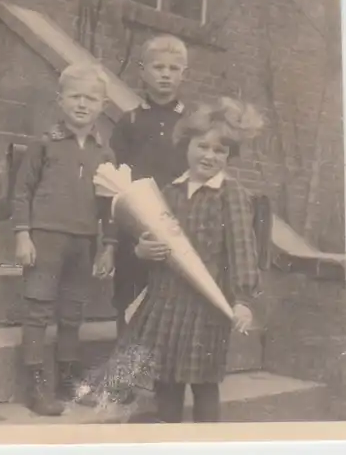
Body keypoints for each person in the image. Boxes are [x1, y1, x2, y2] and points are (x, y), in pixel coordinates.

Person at [102, 97, 264, 423]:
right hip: (165, 303)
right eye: (202, 146)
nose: (209, 155)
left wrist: (244, 299)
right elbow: (152, 240)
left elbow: (244, 249)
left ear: (229, 156)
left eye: (220, 151)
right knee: (166, 380)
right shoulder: (169, 193)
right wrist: (141, 252)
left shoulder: (231, 195)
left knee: (203, 384)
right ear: (186, 145)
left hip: (205, 308)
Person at [12, 63, 116, 416]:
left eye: (91, 98)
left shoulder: (104, 153)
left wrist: (109, 247)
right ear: (60, 100)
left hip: (83, 243)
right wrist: (23, 235)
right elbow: (21, 192)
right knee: (39, 308)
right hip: (46, 238)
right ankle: (37, 386)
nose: (82, 104)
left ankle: (68, 380)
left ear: (103, 105)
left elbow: (110, 207)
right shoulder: (44, 145)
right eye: (75, 96)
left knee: (72, 313)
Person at [99, 34, 190, 336]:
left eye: (174, 68)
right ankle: (125, 377)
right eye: (158, 67)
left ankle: (161, 381)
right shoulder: (130, 122)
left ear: (183, 74)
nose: (165, 74)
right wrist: (112, 241)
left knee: (172, 306)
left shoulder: (194, 124)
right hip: (134, 234)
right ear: (142, 71)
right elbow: (116, 186)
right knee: (130, 302)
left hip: (179, 229)